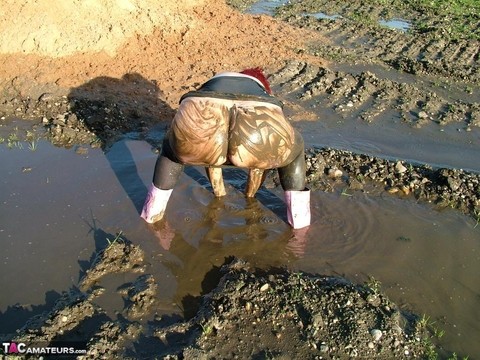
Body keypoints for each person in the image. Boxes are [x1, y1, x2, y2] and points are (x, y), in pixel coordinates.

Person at [140, 67, 310, 229]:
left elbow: (211, 154)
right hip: (259, 122)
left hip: (202, 113)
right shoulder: (262, 90)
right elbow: (259, 166)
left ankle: (151, 215)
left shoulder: (212, 82)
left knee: (170, 153)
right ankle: (300, 225)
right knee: (295, 151)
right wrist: (249, 197)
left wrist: (219, 195)